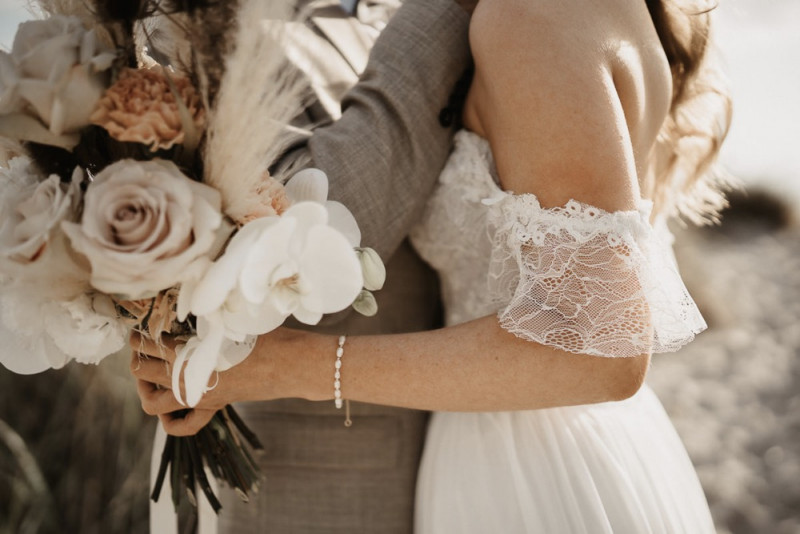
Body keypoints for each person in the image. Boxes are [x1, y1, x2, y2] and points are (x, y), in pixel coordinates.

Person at [133, 0, 732, 531]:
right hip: (530, 442)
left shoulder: (528, 18)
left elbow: (598, 353)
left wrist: (291, 364)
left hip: (527, 465)